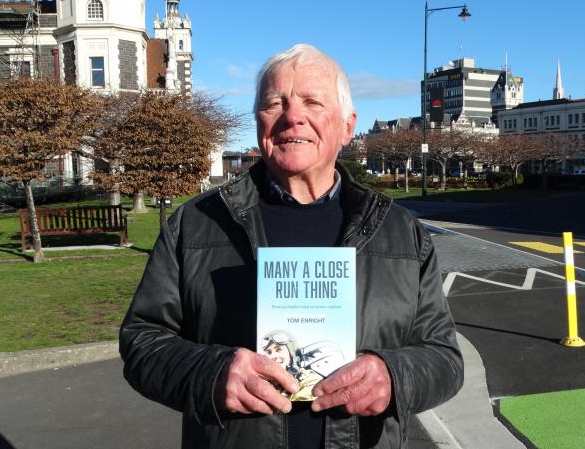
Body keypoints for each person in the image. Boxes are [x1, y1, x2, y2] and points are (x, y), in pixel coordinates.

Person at [120, 43, 463, 448]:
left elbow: (444, 357)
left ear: (347, 126)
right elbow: (143, 341)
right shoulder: (195, 224)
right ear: (258, 122)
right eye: (274, 103)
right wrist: (209, 374)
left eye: (312, 102)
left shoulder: (400, 231)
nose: (292, 117)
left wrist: (395, 376)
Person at [261, 330, 322, 401]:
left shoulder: (310, 380)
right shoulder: (265, 382)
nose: (273, 356)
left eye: (278, 349)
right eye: (269, 352)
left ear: (292, 353)